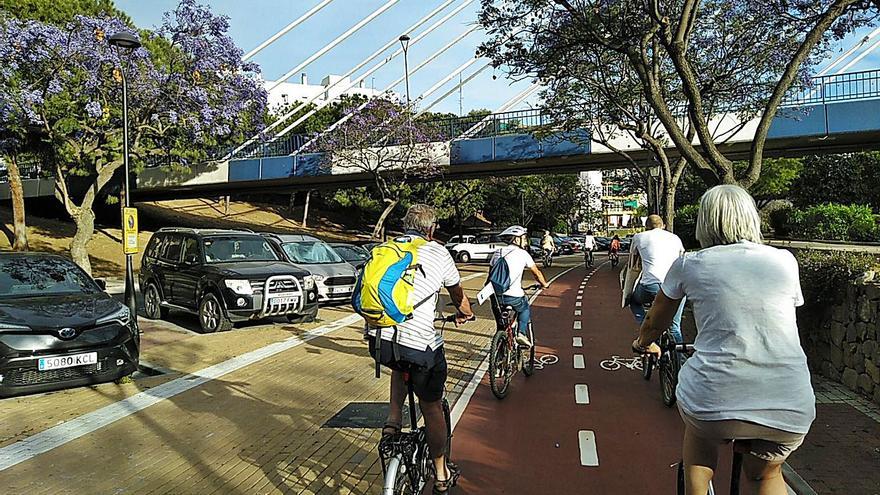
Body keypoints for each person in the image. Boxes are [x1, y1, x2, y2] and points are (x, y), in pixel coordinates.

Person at [632, 185, 815, 495]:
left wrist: (641, 342)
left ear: (706, 221)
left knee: (699, 446)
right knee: (765, 476)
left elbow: (655, 320)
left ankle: (699, 485)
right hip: (789, 402)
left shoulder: (691, 263)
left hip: (714, 400)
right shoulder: (784, 261)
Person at [365, 204, 474, 493]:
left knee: (398, 365)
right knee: (432, 405)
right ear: (431, 229)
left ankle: (392, 420)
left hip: (380, 341)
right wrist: (465, 312)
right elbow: (457, 293)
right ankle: (440, 472)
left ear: (404, 225)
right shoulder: (439, 252)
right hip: (421, 347)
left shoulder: (386, 248)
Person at [628, 214, 685, 347]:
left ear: (646, 227)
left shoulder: (639, 237)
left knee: (633, 301)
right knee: (675, 326)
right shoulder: (675, 238)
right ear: (663, 225)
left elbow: (633, 264)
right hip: (676, 285)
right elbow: (682, 258)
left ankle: (647, 333)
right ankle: (679, 361)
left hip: (651, 285)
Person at [491, 225, 550, 347]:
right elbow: (536, 273)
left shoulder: (498, 252)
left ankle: (499, 347)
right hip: (514, 296)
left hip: (495, 296)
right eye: (524, 238)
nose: (525, 241)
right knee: (524, 308)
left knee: (501, 325)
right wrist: (544, 284)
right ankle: (521, 333)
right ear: (517, 239)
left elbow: (491, 274)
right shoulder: (523, 254)